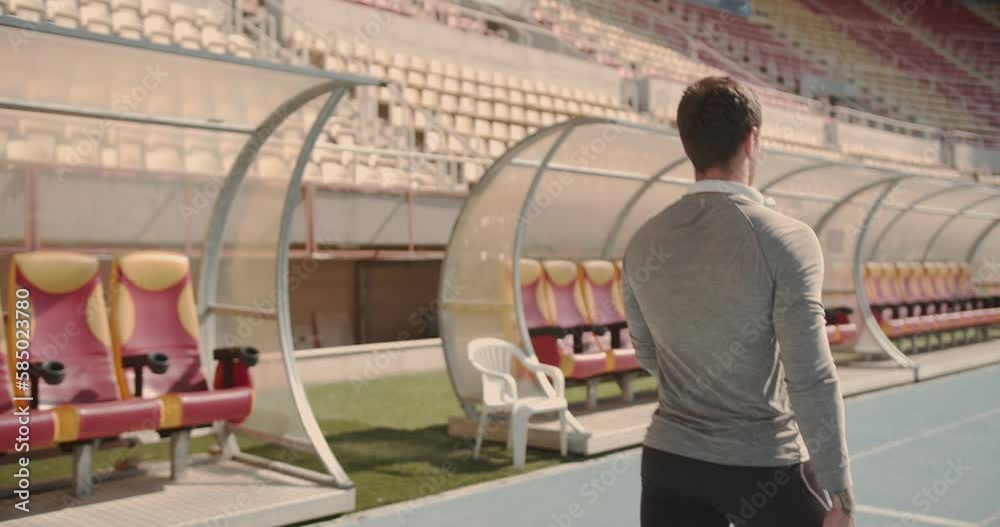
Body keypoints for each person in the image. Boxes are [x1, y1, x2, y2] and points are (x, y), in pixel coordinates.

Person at [622, 76, 855, 527]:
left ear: (689, 144)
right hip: (764, 465)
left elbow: (648, 354)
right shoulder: (786, 239)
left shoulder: (642, 241)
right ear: (752, 140)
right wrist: (839, 490)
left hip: (671, 464)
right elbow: (811, 376)